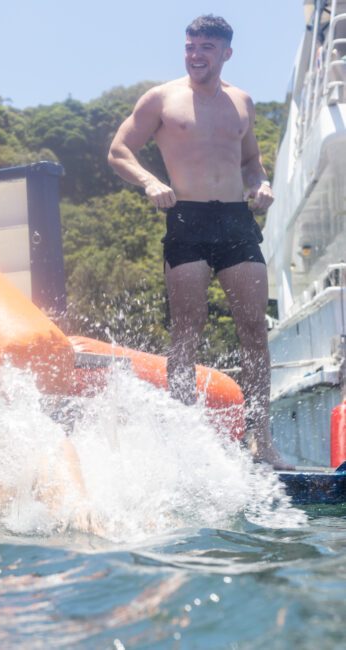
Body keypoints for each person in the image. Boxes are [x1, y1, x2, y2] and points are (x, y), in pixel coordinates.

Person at [107, 15, 285, 467]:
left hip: (235, 219)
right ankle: (184, 442)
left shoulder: (242, 102)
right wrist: (150, 182)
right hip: (185, 218)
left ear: (226, 52)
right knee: (187, 330)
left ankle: (261, 441)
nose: (195, 54)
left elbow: (252, 162)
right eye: (190, 45)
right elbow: (119, 150)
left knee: (254, 332)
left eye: (206, 47)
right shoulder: (161, 98)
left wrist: (260, 185)